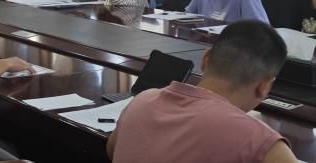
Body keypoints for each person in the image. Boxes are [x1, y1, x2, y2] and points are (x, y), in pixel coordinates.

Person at [107, 20, 296, 163]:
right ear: (265, 86)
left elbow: (111, 149)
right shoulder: (260, 141)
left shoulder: (141, 101)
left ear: (205, 59)